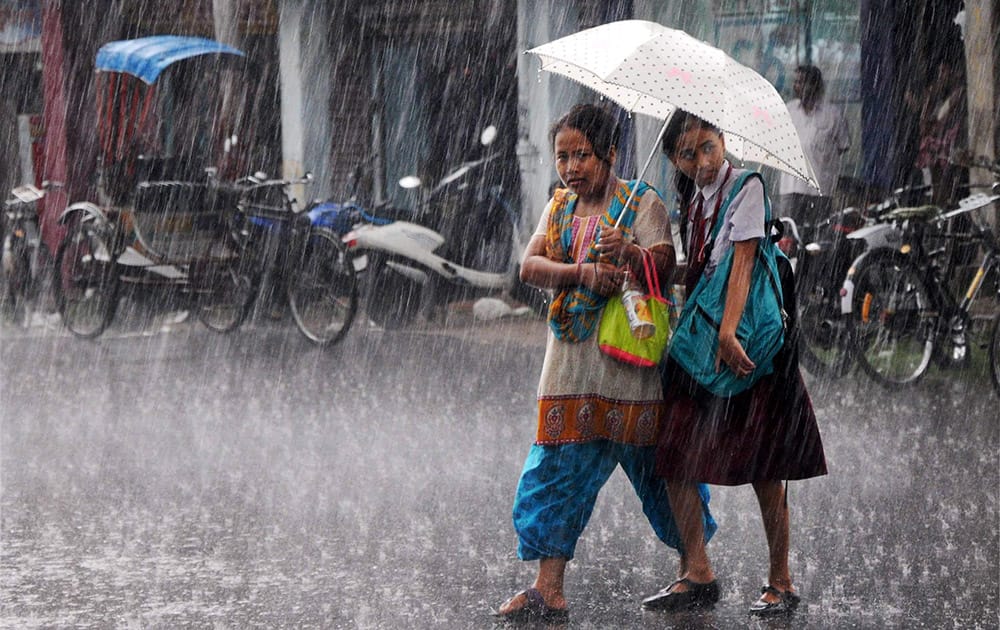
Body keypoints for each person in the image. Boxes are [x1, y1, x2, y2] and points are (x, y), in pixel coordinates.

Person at [494, 103, 716, 622]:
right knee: (555, 471)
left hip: (632, 367)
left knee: (664, 468)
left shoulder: (642, 202)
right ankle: (548, 588)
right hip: (570, 368)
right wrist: (580, 274)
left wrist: (631, 253)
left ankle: (699, 569)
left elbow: (666, 264)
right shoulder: (559, 208)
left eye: (583, 156)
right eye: (563, 157)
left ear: (611, 155)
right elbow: (529, 266)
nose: (571, 168)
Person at [642, 111, 827, 616]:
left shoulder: (747, 187)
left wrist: (726, 333)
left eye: (708, 147)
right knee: (675, 453)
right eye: (687, 153)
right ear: (674, 160)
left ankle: (781, 580)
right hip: (700, 346)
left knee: (766, 466)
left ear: (724, 140)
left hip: (747, 347)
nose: (701, 161)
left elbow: (743, 260)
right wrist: (635, 260)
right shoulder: (693, 200)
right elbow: (701, 270)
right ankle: (698, 571)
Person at [778, 65, 850, 238]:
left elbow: (843, 145)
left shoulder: (832, 114)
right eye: (795, 82)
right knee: (789, 238)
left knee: (818, 239)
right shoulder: (787, 111)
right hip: (791, 189)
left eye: (801, 82)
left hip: (820, 191)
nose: (797, 86)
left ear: (815, 85)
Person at [915, 56, 968, 207]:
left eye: (944, 71)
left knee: (945, 187)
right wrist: (927, 100)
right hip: (939, 149)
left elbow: (941, 116)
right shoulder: (937, 96)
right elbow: (924, 125)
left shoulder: (959, 92)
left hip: (952, 147)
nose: (941, 76)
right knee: (935, 186)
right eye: (940, 72)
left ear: (954, 73)